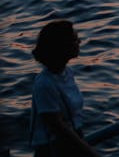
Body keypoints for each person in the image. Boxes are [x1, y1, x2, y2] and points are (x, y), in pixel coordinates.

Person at [30, 20, 100, 157]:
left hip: (72, 140)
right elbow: (57, 127)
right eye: (74, 39)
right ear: (62, 46)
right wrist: (89, 152)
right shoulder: (45, 84)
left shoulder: (67, 73)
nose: (79, 41)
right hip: (53, 149)